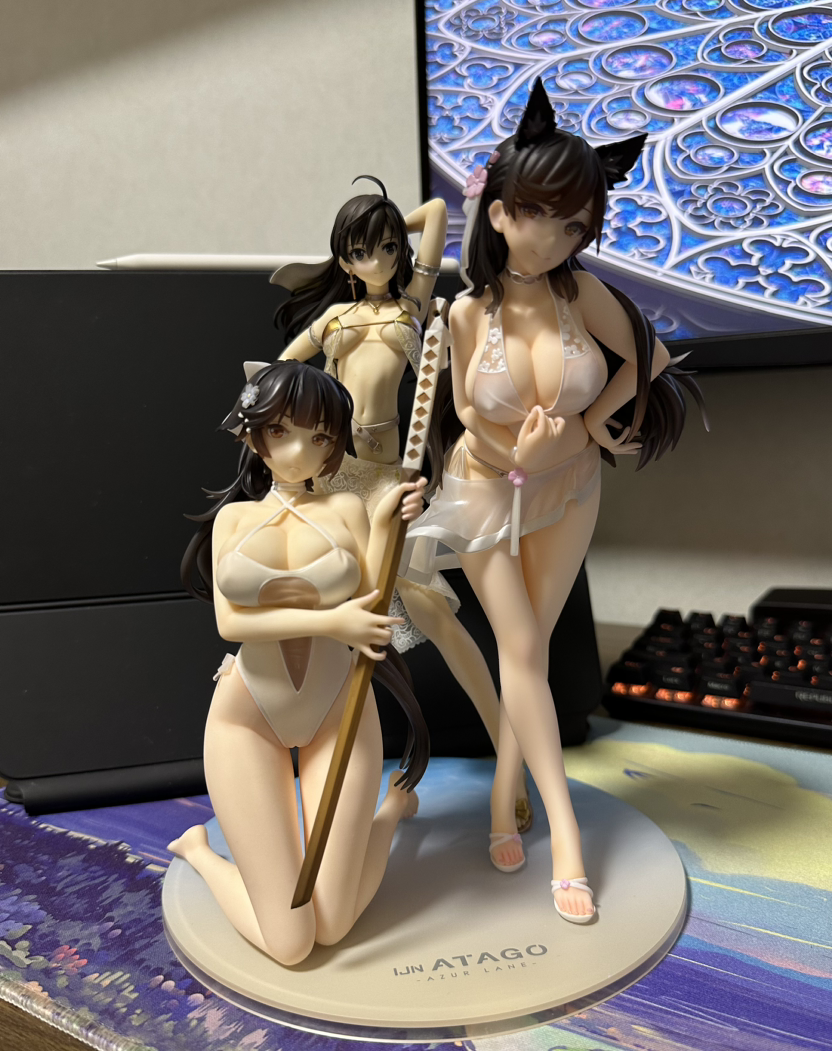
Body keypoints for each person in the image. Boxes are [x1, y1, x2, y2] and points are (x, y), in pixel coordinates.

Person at [405, 79, 706, 918]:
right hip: (483, 493)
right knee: (522, 648)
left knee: (527, 654)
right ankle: (566, 837)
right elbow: (467, 416)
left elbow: (651, 360)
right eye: (541, 214)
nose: (557, 236)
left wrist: (593, 427)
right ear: (501, 213)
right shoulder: (466, 314)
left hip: (569, 488)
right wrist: (521, 453)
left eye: (575, 225)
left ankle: (509, 801)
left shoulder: (583, 297)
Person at [274, 177, 533, 833]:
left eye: (388, 246)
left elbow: (439, 211)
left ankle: (511, 762)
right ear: (344, 259)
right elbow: (281, 374)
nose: (380, 260)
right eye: (363, 251)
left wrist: (384, 217)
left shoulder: (413, 305)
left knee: (434, 613)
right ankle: (319, 774)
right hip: (335, 481)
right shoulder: (334, 320)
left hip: (393, 481)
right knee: (333, 621)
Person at [171, 360, 428, 966]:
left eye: (320, 437)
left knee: (332, 926)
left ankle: (391, 812)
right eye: (281, 431)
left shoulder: (346, 511)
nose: (298, 452)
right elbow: (230, 624)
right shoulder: (234, 519)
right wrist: (330, 623)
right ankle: (199, 852)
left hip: (338, 711)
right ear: (252, 431)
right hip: (247, 717)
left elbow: (370, 600)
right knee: (291, 945)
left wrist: (387, 521)